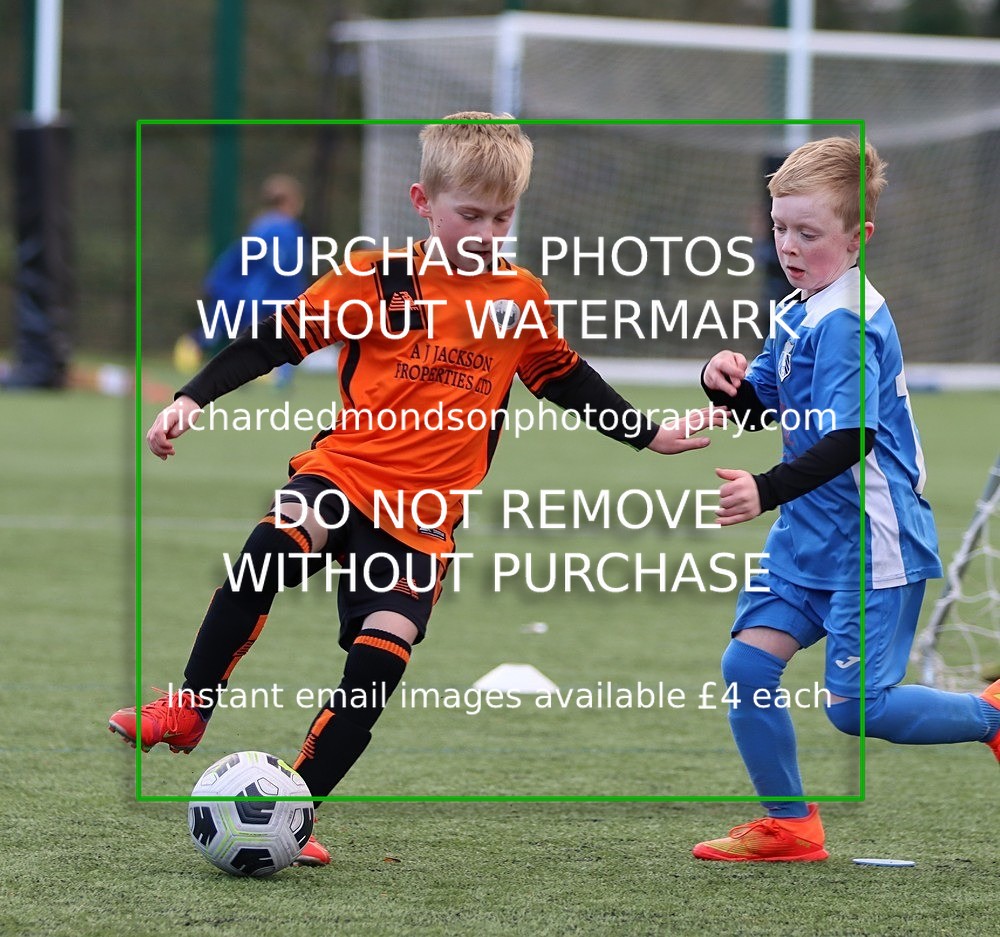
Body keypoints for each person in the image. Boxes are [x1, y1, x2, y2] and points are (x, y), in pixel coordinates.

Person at [110, 113, 725, 866]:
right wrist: (192, 397)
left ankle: (294, 810)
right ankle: (187, 708)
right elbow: (279, 337)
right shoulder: (377, 276)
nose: (486, 230)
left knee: (382, 656)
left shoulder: (519, 296)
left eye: (502, 217)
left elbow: (564, 377)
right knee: (267, 551)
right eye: (470, 213)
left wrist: (648, 433)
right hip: (346, 471)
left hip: (423, 518)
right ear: (423, 202)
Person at [692, 136, 1000, 862]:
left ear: (857, 236)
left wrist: (764, 488)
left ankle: (990, 713)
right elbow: (758, 406)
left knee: (860, 708)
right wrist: (721, 379)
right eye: (779, 228)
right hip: (807, 537)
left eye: (808, 233)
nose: (789, 246)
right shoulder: (802, 307)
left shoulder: (850, 319)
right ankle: (790, 825)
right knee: (746, 666)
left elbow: (852, 439)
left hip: (872, 539)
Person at [178, 173, 308, 386]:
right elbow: (283, 269)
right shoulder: (285, 230)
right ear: (292, 202)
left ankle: (198, 350)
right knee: (277, 333)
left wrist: (217, 281)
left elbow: (239, 259)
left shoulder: (261, 226)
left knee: (233, 330)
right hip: (266, 294)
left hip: (250, 293)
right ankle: (274, 375)